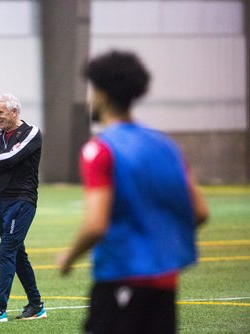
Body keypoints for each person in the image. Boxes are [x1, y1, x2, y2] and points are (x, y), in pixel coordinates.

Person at [57, 50, 210, 333]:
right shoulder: (165, 145)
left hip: (120, 278)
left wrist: (69, 257)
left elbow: (95, 225)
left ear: (101, 95)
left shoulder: (99, 150)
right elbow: (199, 211)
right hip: (165, 285)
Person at [0, 93, 46, 322]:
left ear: (14, 112)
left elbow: (13, 158)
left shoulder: (32, 132)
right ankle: (36, 305)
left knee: (6, 250)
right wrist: (3, 160)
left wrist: (0, 160)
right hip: (1, 200)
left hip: (23, 200)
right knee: (17, 253)